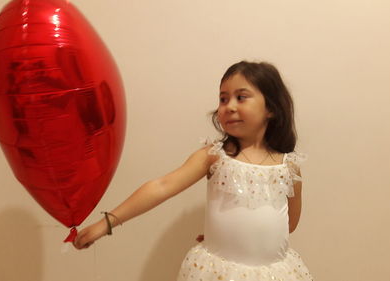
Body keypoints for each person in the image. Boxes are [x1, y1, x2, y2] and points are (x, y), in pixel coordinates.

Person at [74, 61, 314, 281]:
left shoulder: (289, 165)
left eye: (241, 97)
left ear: (271, 108)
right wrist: (107, 223)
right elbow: (162, 186)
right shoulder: (215, 156)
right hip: (219, 273)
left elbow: (289, 223)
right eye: (223, 99)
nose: (229, 106)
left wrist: (236, 236)